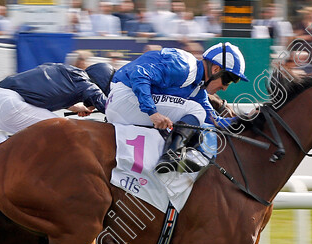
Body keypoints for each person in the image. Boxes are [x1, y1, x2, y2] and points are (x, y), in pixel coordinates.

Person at [105, 43, 248, 174]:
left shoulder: (197, 89)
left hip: (124, 105)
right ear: (216, 69)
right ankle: (172, 155)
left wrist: (247, 120)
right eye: (227, 80)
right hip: (123, 99)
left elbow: (214, 121)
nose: (225, 87)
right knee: (196, 110)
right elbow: (139, 74)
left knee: (198, 117)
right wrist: (152, 112)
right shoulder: (184, 66)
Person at [0, 62, 115, 134]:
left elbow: (47, 91)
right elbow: (107, 107)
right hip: (8, 104)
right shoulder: (86, 83)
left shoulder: (70, 74)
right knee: (65, 131)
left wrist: (75, 107)